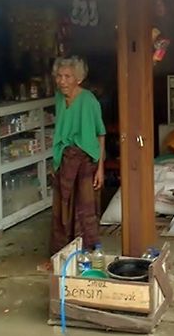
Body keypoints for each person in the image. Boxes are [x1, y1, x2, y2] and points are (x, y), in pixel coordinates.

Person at [50, 56, 106, 257]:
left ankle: (87, 253)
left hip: (85, 161)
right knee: (62, 209)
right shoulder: (59, 97)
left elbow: (101, 134)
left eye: (67, 76)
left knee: (85, 210)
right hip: (64, 159)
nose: (62, 81)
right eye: (59, 76)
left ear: (78, 79)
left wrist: (100, 168)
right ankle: (62, 255)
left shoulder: (89, 100)